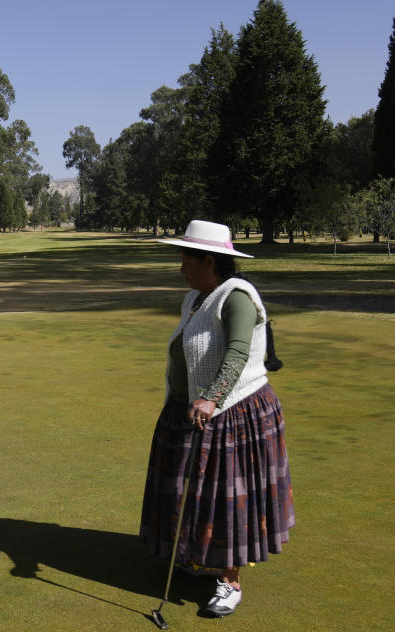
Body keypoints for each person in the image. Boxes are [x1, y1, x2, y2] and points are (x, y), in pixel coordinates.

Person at [139, 220, 294, 617]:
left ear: (208, 260)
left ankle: (230, 581)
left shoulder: (236, 295)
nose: (180, 267)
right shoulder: (195, 297)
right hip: (188, 409)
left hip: (232, 412)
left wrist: (211, 397)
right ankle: (198, 559)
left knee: (225, 500)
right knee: (189, 492)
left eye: (185, 259)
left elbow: (238, 352)